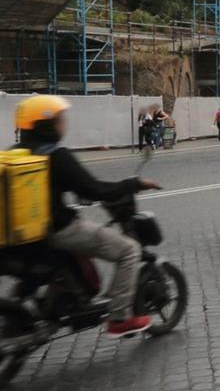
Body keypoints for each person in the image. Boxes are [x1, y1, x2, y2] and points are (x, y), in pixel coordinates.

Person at [13, 95, 160, 338]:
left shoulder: (16, 153)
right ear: (46, 125)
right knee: (129, 250)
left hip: (22, 234)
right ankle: (119, 317)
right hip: (59, 229)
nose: (64, 124)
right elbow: (95, 189)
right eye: (60, 120)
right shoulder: (56, 155)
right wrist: (133, 184)